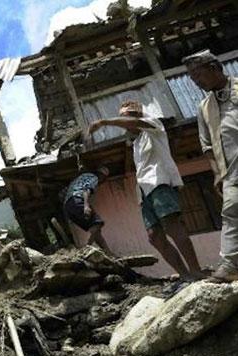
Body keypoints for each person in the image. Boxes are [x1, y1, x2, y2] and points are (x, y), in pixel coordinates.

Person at [87, 100, 204, 281]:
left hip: (160, 182)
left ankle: (196, 271)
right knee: (154, 237)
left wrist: (104, 122)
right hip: (144, 190)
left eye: (125, 119)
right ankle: (185, 275)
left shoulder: (153, 125)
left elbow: (135, 124)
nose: (124, 125)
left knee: (172, 226)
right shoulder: (136, 142)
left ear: (137, 116)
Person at [184, 50, 238, 281]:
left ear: (214, 68)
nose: (196, 83)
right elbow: (206, 145)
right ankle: (230, 265)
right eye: (193, 80)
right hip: (232, 170)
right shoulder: (204, 107)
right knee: (231, 211)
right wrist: (217, 173)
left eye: (199, 76)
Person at [64, 166, 114, 255]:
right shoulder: (94, 177)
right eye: (104, 178)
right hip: (77, 200)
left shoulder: (82, 177)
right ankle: (87, 249)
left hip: (68, 207)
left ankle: (109, 253)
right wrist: (86, 206)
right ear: (102, 175)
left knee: (95, 230)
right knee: (98, 223)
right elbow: (86, 189)